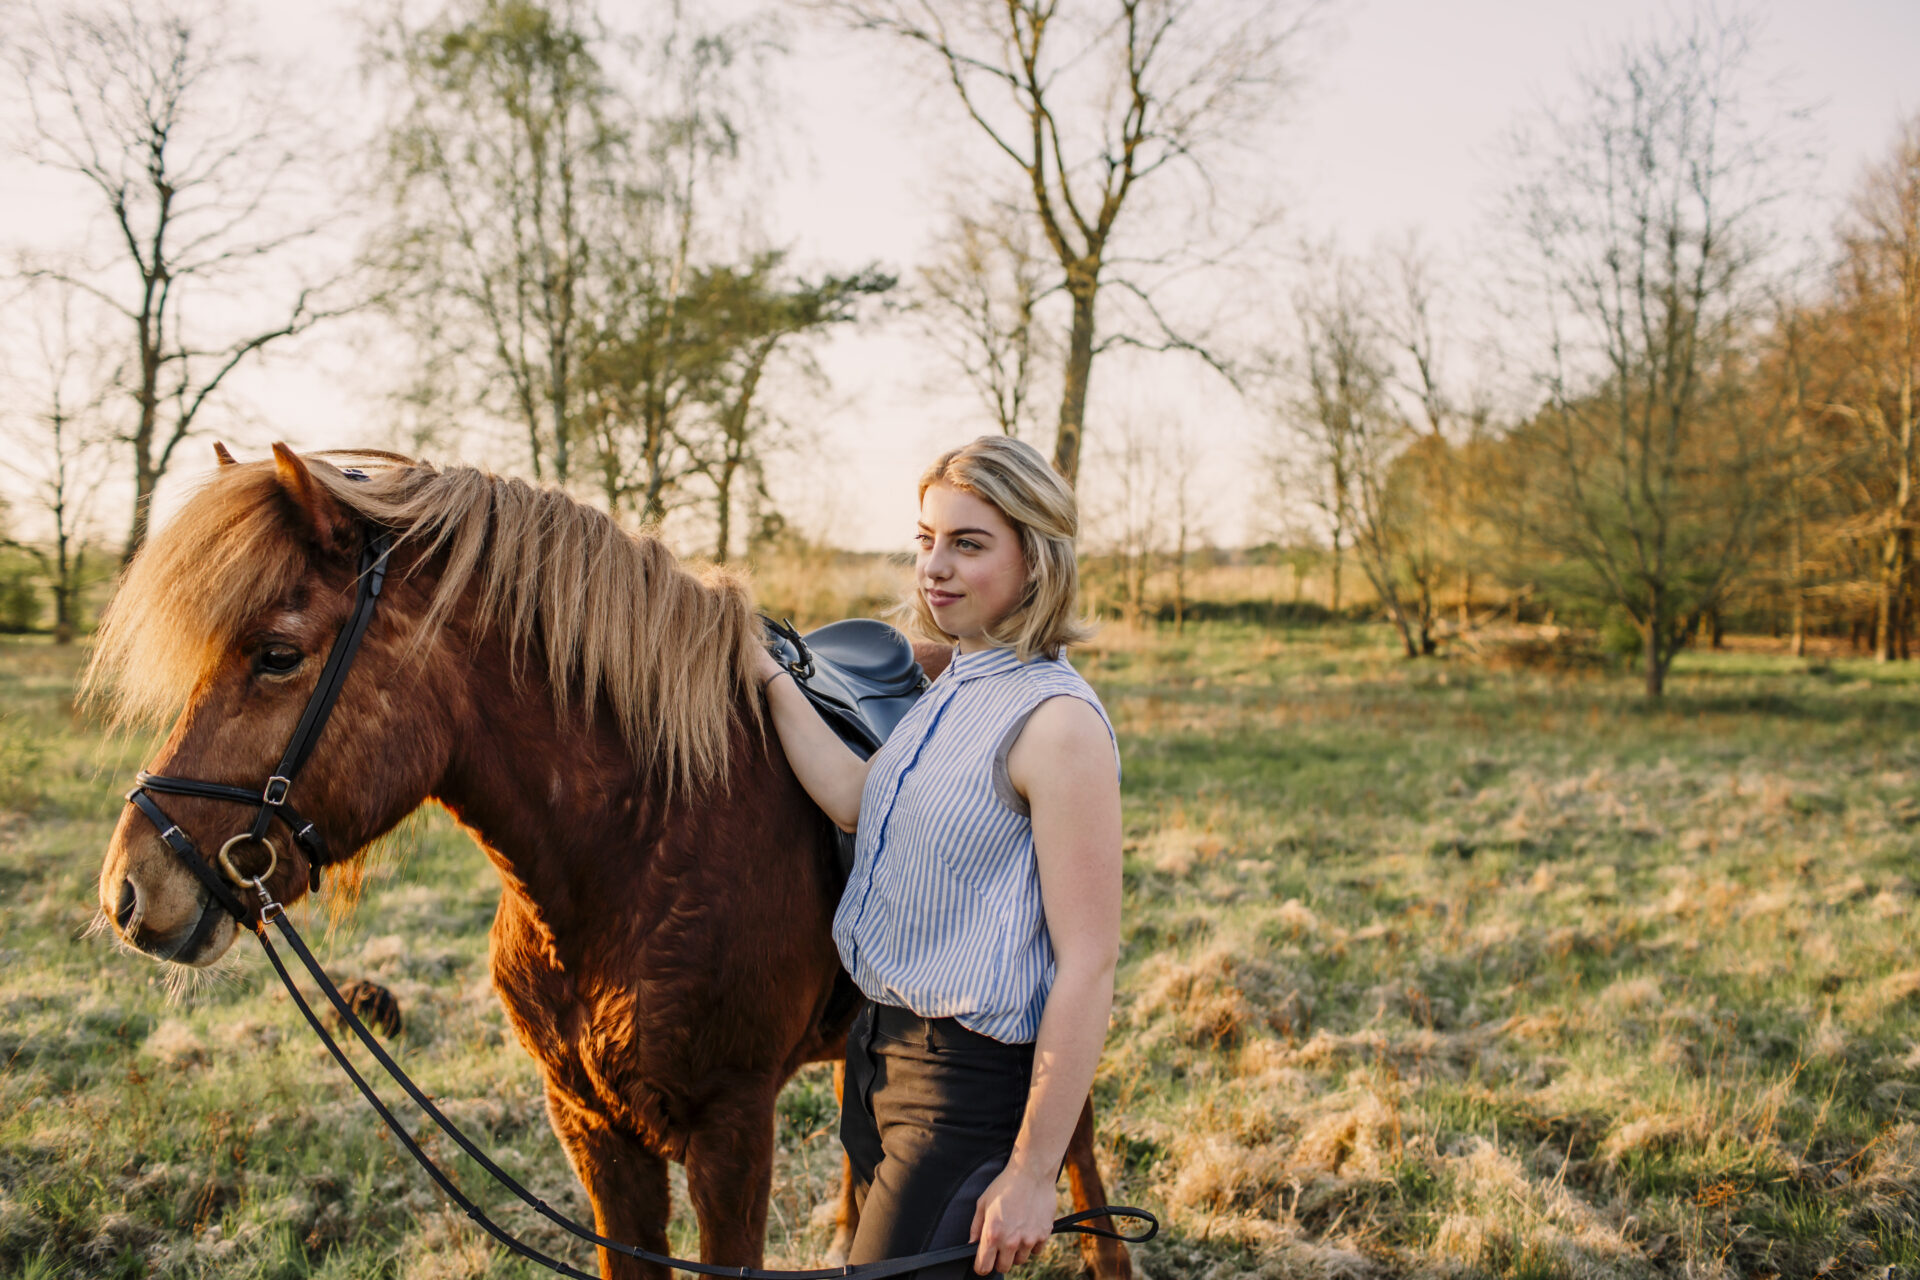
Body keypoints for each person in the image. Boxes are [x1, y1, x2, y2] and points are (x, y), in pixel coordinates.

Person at [753, 435, 1123, 1278]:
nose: (935, 567)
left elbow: (1089, 965)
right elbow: (856, 799)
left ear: (1037, 558)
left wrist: (1032, 1172)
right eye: (926, 539)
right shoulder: (954, 684)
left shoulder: (1056, 724)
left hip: (963, 1089)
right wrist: (768, 674)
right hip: (877, 1051)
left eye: (968, 543)